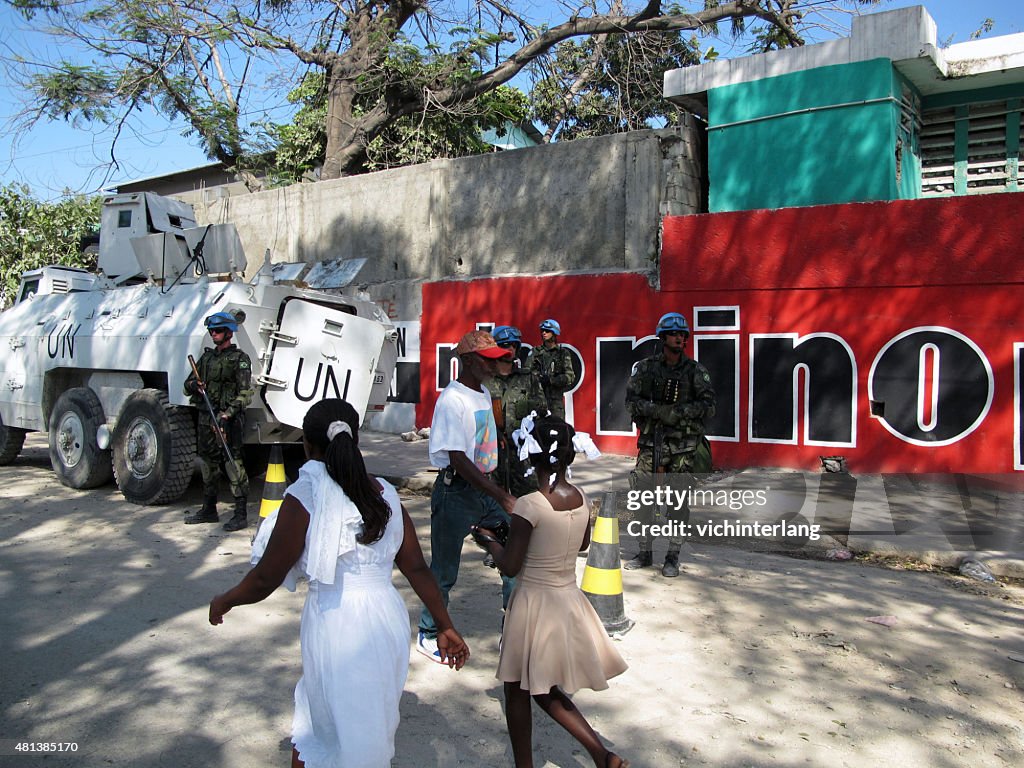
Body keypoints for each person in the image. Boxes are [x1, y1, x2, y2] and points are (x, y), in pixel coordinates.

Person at [209, 399, 469, 768]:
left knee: (326, 724)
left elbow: (266, 576)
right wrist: (445, 625)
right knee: (366, 727)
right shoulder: (386, 494)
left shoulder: (306, 496)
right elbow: (417, 569)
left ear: (307, 446)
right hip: (386, 620)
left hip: (336, 620)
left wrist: (226, 599)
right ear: (356, 439)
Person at [472, 413, 630, 768]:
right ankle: (602, 755)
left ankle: (530, 764)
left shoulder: (530, 504)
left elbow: (511, 566)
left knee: (517, 687)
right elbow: (583, 543)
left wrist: (490, 543)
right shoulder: (580, 497)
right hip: (568, 599)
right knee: (542, 688)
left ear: (532, 456)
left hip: (534, 603)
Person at [417, 329, 517, 663]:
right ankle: (429, 633)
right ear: (469, 361)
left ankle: (515, 633)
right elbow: (458, 459)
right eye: (486, 360)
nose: (493, 365)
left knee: (513, 560)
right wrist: (501, 495)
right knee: (444, 571)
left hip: (484, 492)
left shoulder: (484, 393)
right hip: (456, 494)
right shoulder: (452, 400)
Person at [624, 312, 716, 578]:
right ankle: (644, 551)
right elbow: (631, 402)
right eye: (674, 334)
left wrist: (680, 412)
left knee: (678, 502)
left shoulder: (696, 371)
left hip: (683, 448)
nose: (679, 338)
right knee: (642, 497)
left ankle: (673, 555)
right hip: (653, 444)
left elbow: (709, 406)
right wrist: (656, 411)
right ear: (663, 337)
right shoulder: (645, 369)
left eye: (682, 334)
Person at [184, 311, 253, 532]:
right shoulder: (206, 359)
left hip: (228, 420)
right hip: (207, 418)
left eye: (218, 330)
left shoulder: (240, 359)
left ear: (229, 333)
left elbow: (245, 393)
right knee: (208, 464)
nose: (213, 334)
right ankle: (209, 509)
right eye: (211, 330)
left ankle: (240, 514)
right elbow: (187, 385)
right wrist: (196, 386)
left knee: (233, 464)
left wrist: (228, 414)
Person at [486, 326, 547, 498]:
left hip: (522, 453)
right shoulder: (484, 380)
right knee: (492, 500)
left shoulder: (528, 378)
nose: (510, 349)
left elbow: (542, 409)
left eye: (513, 345)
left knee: (529, 500)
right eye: (505, 345)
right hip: (492, 451)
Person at [528, 319, 576, 420]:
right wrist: (537, 378)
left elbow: (570, 377)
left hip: (555, 404)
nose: (544, 333)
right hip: (537, 403)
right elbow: (526, 374)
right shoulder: (535, 352)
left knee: (557, 432)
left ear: (554, 333)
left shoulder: (562, 353)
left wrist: (552, 380)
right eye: (542, 330)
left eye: (547, 330)